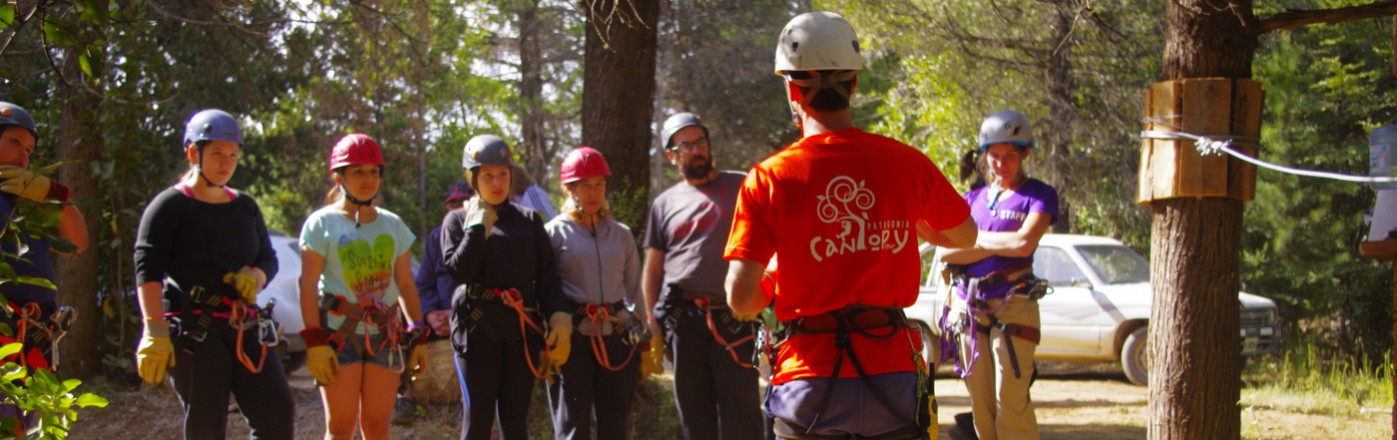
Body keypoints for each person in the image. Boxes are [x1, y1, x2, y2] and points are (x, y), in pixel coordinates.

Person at [723, 11, 978, 440]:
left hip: (809, 383)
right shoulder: (906, 164)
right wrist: (909, 225)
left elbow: (741, 298)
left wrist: (772, 280)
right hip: (892, 378)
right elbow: (966, 236)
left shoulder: (770, 177)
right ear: (854, 85)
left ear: (792, 89)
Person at [133, 108, 293, 439]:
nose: (226, 162)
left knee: (278, 413)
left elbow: (268, 258)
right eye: (217, 153)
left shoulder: (245, 206)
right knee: (207, 425)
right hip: (196, 328)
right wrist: (154, 330)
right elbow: (147, 267)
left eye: (233, 154)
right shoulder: (170, 206)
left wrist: (256, 276)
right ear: (194, 153)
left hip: (244, 325)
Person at [296, 133, 428, 440]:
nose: (368, 179)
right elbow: (307, 285)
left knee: (377, 428)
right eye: (358, 171)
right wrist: (314, 342)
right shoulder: (321, 224)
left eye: (373, 172)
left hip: (384, 337)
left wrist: (418, 332)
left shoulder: (393, 225)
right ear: (339, 176)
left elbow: (406, 284)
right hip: (339, 337)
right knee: (340, 428)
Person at [935, 110, 1056, 440]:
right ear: (984, 156)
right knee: (982, 407)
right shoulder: (972, 199)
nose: (1001, 164)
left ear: (1025, 154)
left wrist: (972, 243)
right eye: (994, 156)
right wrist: (1000, 245)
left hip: (1014, 304)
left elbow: (1023, 243)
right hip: (969, 307)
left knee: (1011, 402)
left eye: (1010, 156)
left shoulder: (1039, 195)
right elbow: (945, 251)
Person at [643, 112, 763, 440]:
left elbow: (771, 244)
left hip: (735, 318)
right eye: (686, 146)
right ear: (671, 155)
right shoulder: (664, 204)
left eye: (700, 143)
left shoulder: (743, 185)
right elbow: (653, 268)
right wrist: (652, 322)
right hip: (683, 321)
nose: (696, 151)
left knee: (743, 414)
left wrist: (761, 292)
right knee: (695, 417)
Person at [442, 134, 567, 440]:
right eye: (487, 175)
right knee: (478, 423)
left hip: (519, 330)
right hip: (476, 330)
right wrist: (477, 228)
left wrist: (559, 316)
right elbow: (459, 272)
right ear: (473, 178)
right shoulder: (457, 221)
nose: (496, 182)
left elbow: (547, 276)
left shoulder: (528, 220)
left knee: (515, 422)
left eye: (502, 174)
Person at [544, 147, 647, 440]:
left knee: (615, 424)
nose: (593, 193)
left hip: (615, 335)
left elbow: (634, 288)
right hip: (572, 336)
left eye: (599, 185)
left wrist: (644, 339)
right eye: (585, 186)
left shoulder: (621, 234)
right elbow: (545, 288)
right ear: (570, 189)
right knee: (572, 426)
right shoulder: (554, 233)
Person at [0, 102, 89, 433]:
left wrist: (54, 193)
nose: (24, 154)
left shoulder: (30, 202)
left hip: (34, 342)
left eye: (29, 149)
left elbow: (78, 242)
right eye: (14, 142)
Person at [394, 181, 475, 425]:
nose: (458, 208)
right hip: (437, 320)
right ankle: (406, 396)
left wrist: (458, 316)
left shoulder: (485, 236)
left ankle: (468, 403)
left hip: (471, 318)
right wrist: (428, 314)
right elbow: (423, 284)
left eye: (464, 203)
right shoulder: (435, 238)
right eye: (453, 203)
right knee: (399, 317)